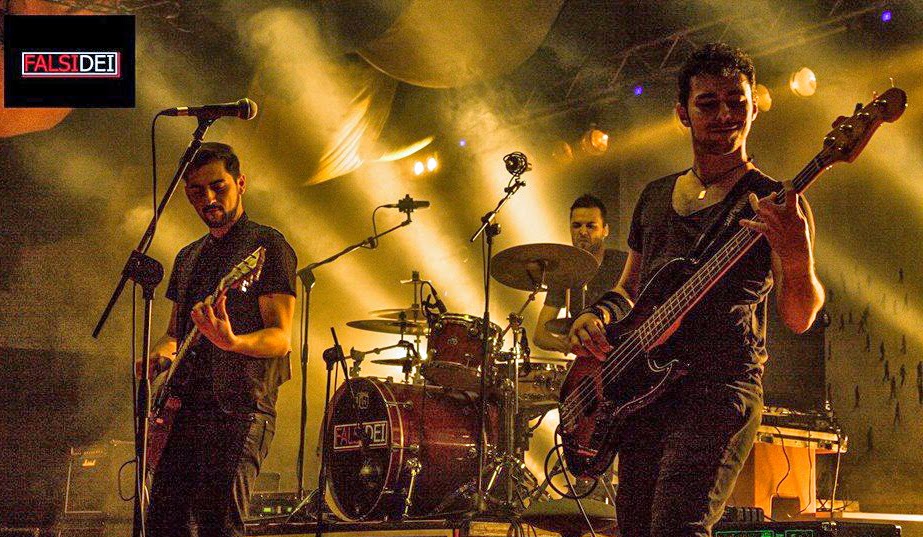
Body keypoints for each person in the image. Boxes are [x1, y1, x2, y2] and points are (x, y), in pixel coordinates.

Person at [568, 43, 824, 537]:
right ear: (682, 113)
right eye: (708, 103)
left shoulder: (775, 204)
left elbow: (799, 316)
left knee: (677, 528)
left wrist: (796, 252)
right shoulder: (655, 196)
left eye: (737, 102)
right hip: (644, 392)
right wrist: (596, 317)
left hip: (718, 390)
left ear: (754, 108)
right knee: (635, 530)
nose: (725, 115)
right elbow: (630, 289)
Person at [141, 142, 297, 537]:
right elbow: (175, 334)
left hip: (240, 409)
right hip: (184, 411)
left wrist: (232, 342)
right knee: (162, 523)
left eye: (218, 186)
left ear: (240, 183)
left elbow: (281, 338)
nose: (208, 198)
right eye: (196, 190)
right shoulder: (188, 256)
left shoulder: (267, 245)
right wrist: (157, 356)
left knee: (219, 524)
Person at [533, 194, 627, 354]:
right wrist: (572, 346)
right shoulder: (564, 271)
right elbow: (540, 336)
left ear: (605, 230)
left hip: (626, 352)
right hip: (591, 360)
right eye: (576, 226)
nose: (583, 232)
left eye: (591, 226)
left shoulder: (623, 263)